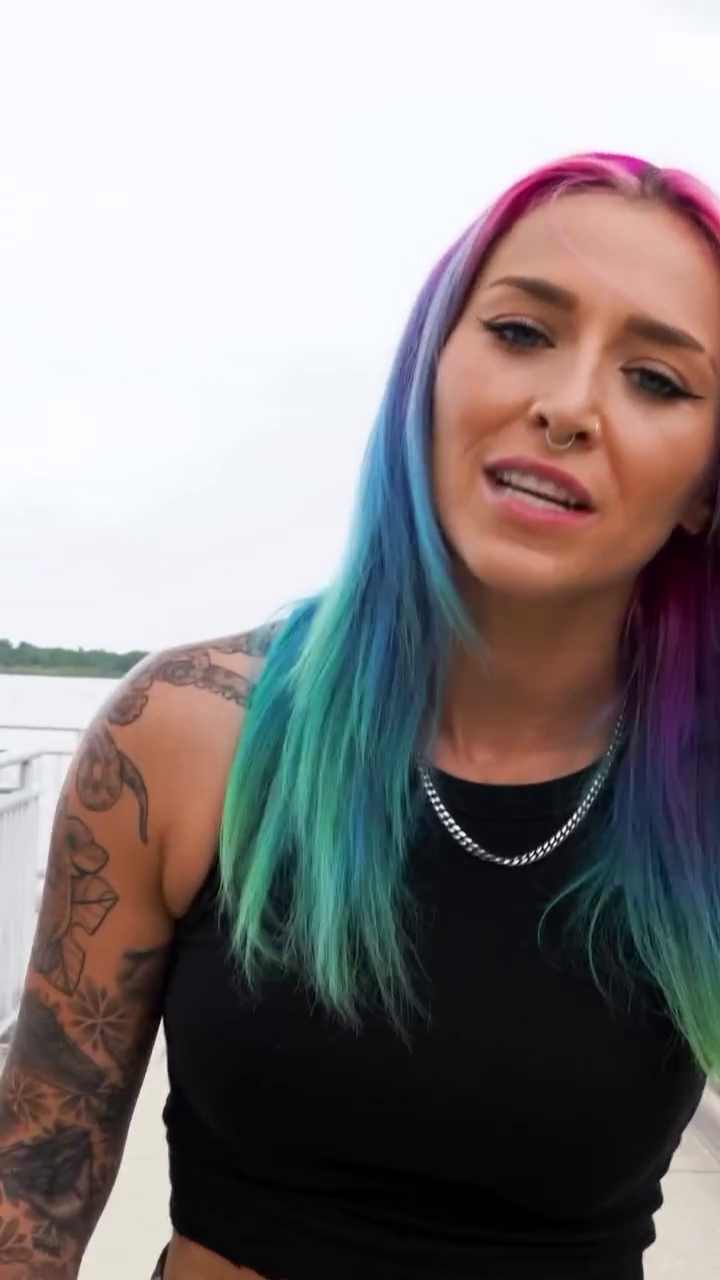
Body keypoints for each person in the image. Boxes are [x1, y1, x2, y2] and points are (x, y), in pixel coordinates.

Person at [2, 151, 720, 1280]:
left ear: (706, 488)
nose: (568, 406)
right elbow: (29, 1200)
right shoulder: (190, 735)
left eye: (659, 380)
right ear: (429, 372)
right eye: (521, 331)